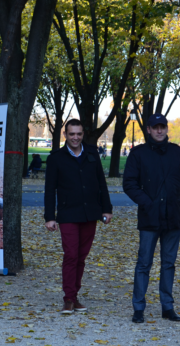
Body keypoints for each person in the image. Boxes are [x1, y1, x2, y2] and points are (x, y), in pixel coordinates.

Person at [123, 113, 180, 323]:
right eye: (155, 127)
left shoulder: (177, 153)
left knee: (168, 263)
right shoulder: (138, 154)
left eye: (163, 127)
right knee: (144, 263)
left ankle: (167, 306)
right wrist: (147, 202)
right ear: (149, 130)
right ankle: (138, 307)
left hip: (173, 218)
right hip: (150, 218)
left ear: (166, 129)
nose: (160, 130)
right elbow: (129, 183)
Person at [44, 119, 113, 314]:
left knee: (81, 257)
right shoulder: (56, 157)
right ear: (65, 134)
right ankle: (68, 298)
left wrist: (106, 209)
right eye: (71, 134)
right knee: (71, 255)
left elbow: (101, 183)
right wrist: (50, 217)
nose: (75, 137)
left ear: (83, 134)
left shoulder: (92, 153)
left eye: (79, 134)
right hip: (68, 214)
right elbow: (50, 190)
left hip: (90, 213)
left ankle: (75, 297)